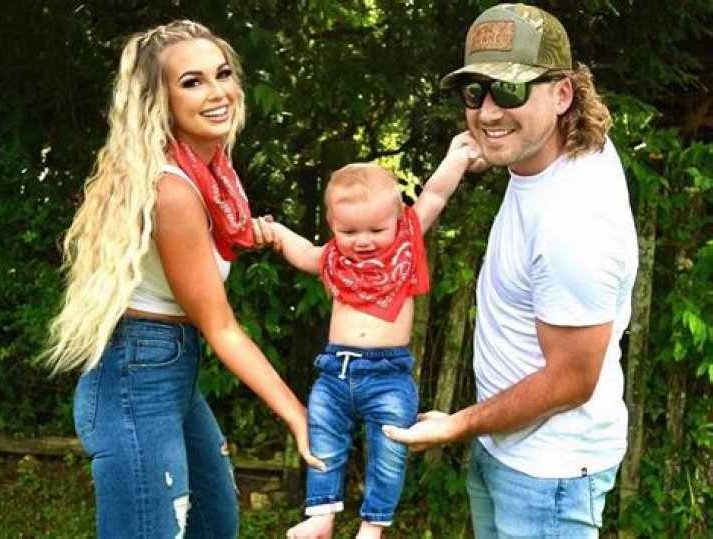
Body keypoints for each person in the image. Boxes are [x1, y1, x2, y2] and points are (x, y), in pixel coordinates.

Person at [43, 20, 322, 538]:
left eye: (223, 74)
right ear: (160, 101)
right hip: (137, 374)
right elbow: (221, 326)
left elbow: (221, 240)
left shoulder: (210, 173)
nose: (217, 92)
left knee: (214, 524)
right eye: (192, 82)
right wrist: (297, 415)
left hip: (170, 370)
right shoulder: (172, 190)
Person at [383, 3, 639, 537]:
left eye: (511, 90)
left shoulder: (575, 222)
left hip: (548, 474)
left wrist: (458, 425)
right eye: (475, 91)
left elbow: (571, 382)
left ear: (563, 95)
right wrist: (496, 146)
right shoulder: (564, 149)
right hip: (510, 445)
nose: (488, 111)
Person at [259, 132, 482, 539]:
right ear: (333, 226)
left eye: (377, 229)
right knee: (323, 438)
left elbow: (434, 195)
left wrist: (458, 155)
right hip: (334, 372)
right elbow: (305, 253)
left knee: (390, 451)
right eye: (349, 232)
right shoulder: (334, 257)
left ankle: (373, 525)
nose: (363, 241)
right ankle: (322, 515)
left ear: (397, 221)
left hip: (388, 376)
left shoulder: (406, 245)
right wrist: (277, 233)